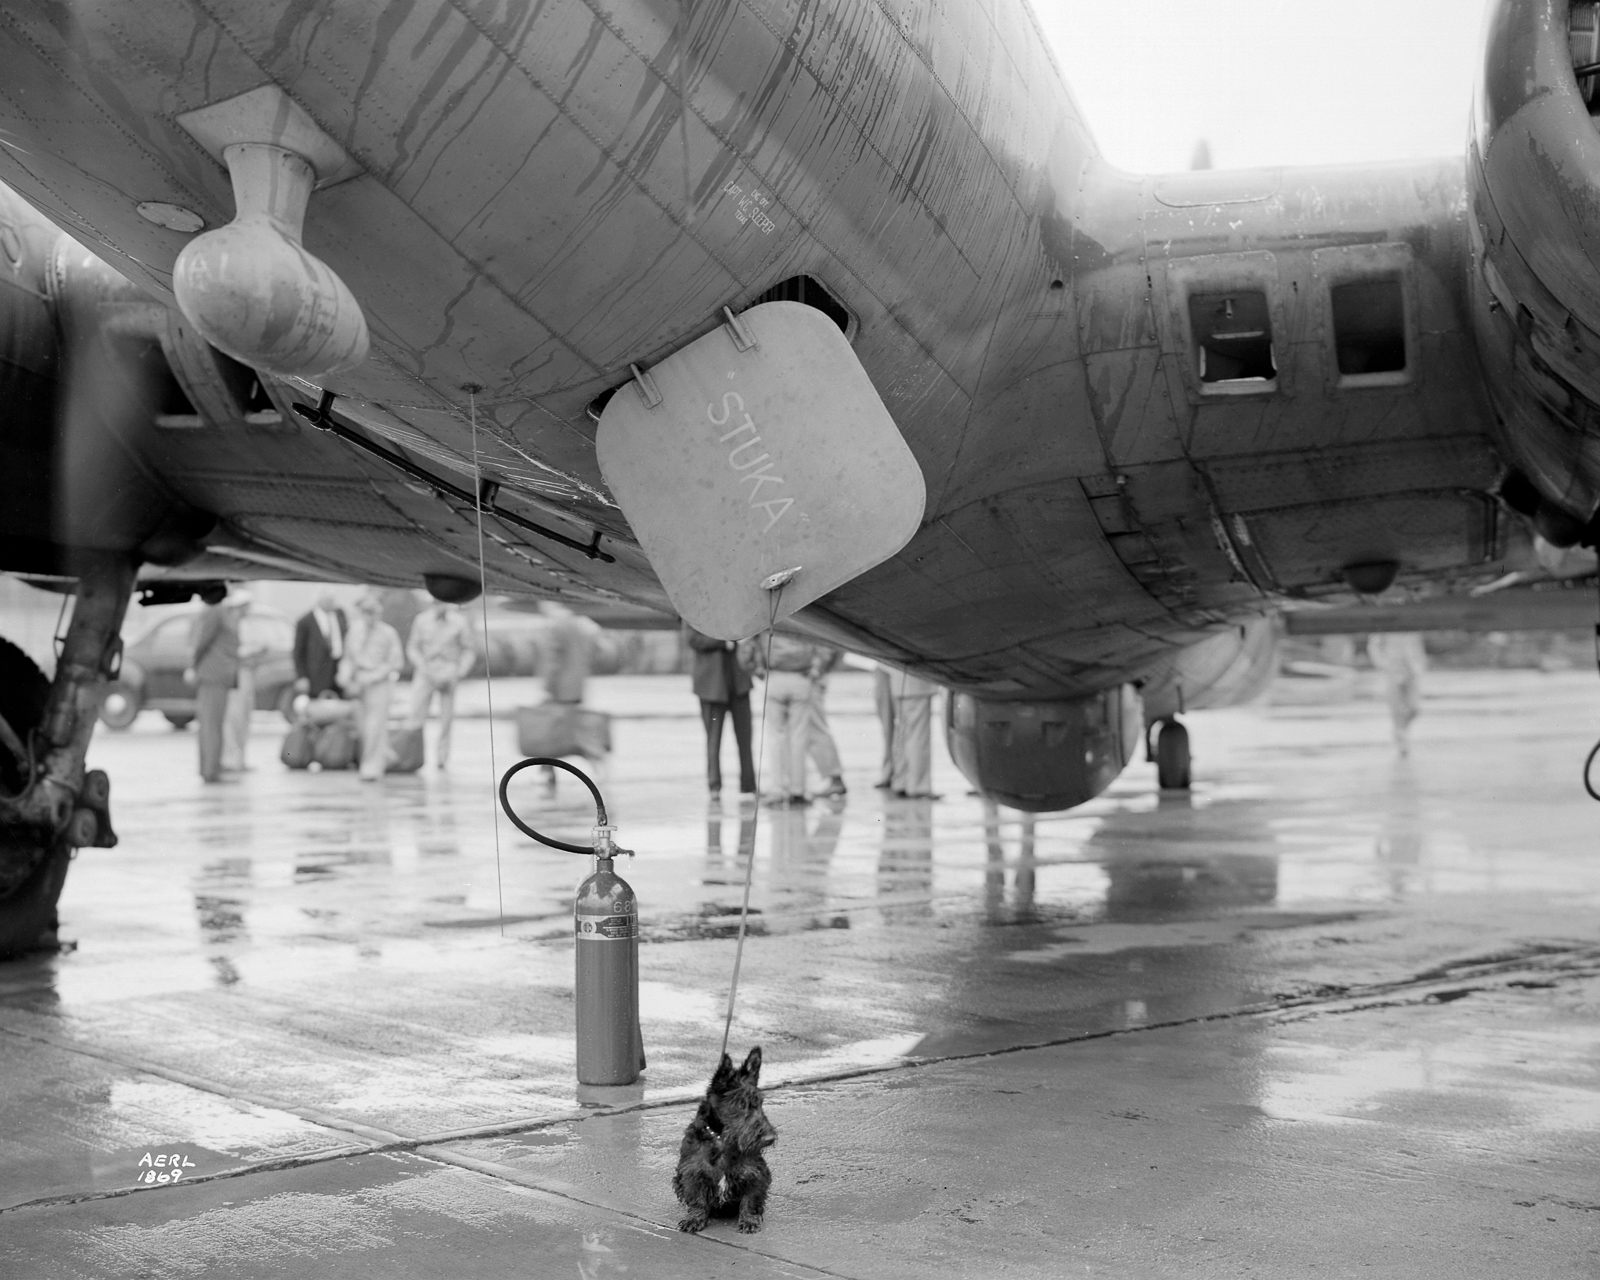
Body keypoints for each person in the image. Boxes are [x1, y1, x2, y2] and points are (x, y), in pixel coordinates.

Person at [538, 601, 606, 789]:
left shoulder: (555, 626)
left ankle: (548, 772)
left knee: (551, 731)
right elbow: (597, 650)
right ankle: (548, 771)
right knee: (562, 728)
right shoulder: (580, 624)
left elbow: (553, 660)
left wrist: (548, 686)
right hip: (576, 685)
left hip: (560, 687)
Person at [685, 622, 756, 799]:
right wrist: (724, 642)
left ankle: (748, 785)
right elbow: (693, 639)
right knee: (713, 739)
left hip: (738, 683)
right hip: (711, 686)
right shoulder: (693, 610)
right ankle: (714, 785)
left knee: (745, 738)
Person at [340, 591, 404, 782]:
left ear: (379, 613)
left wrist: (375, 676)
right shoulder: (355, 631)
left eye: (373, 612)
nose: (369, 616)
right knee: (363, 728)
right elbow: (348, 658)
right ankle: (387, 757)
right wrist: (345, 677)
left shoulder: (388, 633)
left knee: (374, 726)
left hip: (379, 684)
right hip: (359, 684)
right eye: (366, 612)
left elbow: (396, 661)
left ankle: (370, 768)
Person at [757, 632, 824, 806]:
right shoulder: (804, 619)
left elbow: (749, 643)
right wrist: (817, 670)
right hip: (801, 676)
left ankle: (777, 789)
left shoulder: (769, 616)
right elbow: (825, 647)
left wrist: (756, 669)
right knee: (799, 737)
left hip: (774, 676)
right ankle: (797, 790)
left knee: (775, 737)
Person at [407, 599, 476, 768]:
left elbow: (469, 649)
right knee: (416, 715)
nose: (440, 606)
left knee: (446, 718)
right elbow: (413, 647)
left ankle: (442, 757)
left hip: (448, 670)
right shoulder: (422, 620)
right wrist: (421, 665)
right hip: (426, 670)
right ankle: (413, 756)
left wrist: (460, 671)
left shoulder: (459, 622)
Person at [184, 584, 238, 783]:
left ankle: (211, 767)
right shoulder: (216, 611)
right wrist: (193, 666)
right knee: (211, 725)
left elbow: (203, 642)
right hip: (214, 675)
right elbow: (202, 642)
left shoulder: (217, 610)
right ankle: (210, 769)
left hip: (216, 675)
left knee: (212, 724)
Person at [1367, 631, 1427, 756]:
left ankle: (1400, 730)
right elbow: (1374, 645)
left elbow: (1418, 646)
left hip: (1411, 669)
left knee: (1414, 708)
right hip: (1392, 669)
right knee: (1397, 709)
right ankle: (1402, 741)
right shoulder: (1384, 627)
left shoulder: (1412, 628)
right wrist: (1383, 663)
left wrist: (1420, 665)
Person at [885, 667, 941, 798]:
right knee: (918, 737)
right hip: (916, 683)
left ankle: (901, 782)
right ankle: (918, 786)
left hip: (900, 684)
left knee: (902, 735)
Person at [221, 590, 260, 771]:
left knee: (244, 718)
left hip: (247, 673)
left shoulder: (247, 625)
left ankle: (240, 758)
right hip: (236, 674)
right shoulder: (230, 625)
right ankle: (231, 758)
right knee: (234, 718)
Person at [805, 646, 847, 798]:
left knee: (815, 729)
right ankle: (833, 778)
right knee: (813, 730)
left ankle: (835, 778)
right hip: (814, 676)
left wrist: (816, 671)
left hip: (812, 678)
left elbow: (828, 652)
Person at [293, 591, 347, 698]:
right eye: (329, 601)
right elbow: (298, 652)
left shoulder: (338, 616)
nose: (332, 604)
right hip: (316, 675)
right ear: (320, 601)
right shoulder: (306, 621)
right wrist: (302, 676)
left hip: (337, 672)